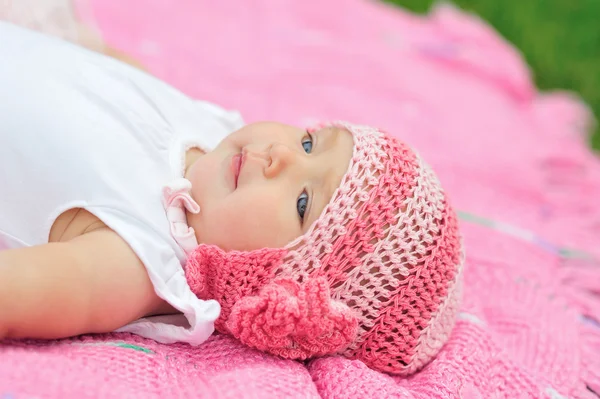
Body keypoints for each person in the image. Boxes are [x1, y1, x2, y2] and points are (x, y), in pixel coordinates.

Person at [0, 22, 463, 375]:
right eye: (308, 144)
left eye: (303, 203)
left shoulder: (139, 263)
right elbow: (113, 79)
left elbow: (17, 292)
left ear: (273, 286)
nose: (281, 156)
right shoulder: (213, 131)